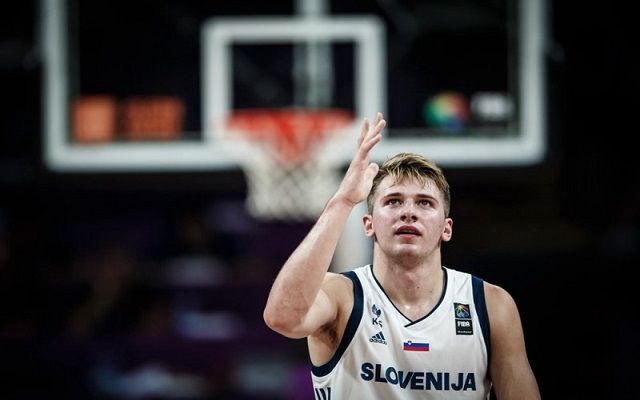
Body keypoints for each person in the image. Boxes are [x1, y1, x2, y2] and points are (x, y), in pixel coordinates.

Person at [263, 112, 540, 399]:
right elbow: (282, 318)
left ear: (446, 229)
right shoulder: (341, 297)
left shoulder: (490, 305)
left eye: (425, 203)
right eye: (393, 201)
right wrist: (343, 201)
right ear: (369, 224)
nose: (408, 212)